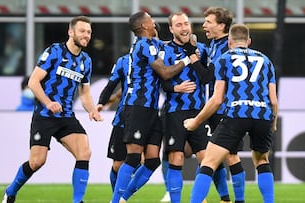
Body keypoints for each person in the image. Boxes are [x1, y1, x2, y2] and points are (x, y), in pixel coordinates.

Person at [2, 16, 103, 203]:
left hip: (66, 116)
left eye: (89, 32)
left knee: (84, 153)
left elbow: (84, 93)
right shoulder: (55, 51)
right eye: (82, 31)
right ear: (70, 32)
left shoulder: (85, 60)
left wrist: (91, 109)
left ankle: (77, 201)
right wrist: (48, 103)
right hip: (44, 115)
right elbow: (33, 82)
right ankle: (11, 191)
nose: (86, 35)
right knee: (37, 162)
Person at [184, 23, 278, 203]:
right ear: (249, 41)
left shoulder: (224, 58)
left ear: (229, 42)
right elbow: (273, 100)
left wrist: (195, 122)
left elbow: (217, 99)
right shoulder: (266, 61)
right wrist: (273, 123)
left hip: (237, 112)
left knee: (209, 163)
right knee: (261, 160)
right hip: (262, 115)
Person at [111, 11, 189, 203]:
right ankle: (116, 201)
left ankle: (124, 198)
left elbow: (164, 44)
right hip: (137, 106)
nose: (153, 21)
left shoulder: (151, 44)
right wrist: (187, 59)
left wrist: (185, 39)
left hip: (152, 108)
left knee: (153, 159)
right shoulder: (143, 45)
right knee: (133, 157)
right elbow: (165, 73)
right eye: (150, 19)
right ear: (144, 26)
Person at [160, 11, 231, 203]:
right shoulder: (164, 50)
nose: (183, 28)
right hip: (174, 111)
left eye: (186, 24)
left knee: (208, 159)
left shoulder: (202, 49)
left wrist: (194, 57)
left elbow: (208, 76)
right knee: (175, 157)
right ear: (171, 29)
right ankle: (174, 198)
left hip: (199, 112)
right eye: (179, 25)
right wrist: (176, 87)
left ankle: (222, 198)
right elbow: (160, 82)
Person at [203, 7, 246, 202]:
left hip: (225, 109)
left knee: (230, 156)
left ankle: (238, 199)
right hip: (215, 108)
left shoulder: (225, 48)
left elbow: (207, 76)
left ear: (221, 26)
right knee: (214, 154)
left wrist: (192, 55)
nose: (204, 25)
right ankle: (225, 198)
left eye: (209, 22)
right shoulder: (213, 45)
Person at [97, 54, 129, 193]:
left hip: (147, 117)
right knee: (117, 165)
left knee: (147, 160)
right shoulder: (125, 62)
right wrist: (102, 103)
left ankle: (124, 195)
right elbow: (115, 89)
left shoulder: (159, 60)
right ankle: (116, 198)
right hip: (123, 118)